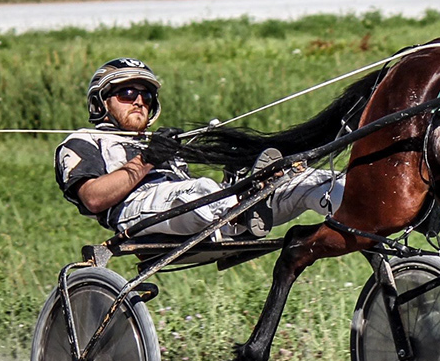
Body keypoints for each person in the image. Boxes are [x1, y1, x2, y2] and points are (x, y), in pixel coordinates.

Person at [55, 58, 343, 239]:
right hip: (133, 211)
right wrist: (148, 160)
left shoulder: (158, 140)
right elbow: (92, 199)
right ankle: (245, 204)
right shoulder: (83, 140)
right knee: (202, 190)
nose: (139, 101)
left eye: (146, 94)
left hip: (200, 209)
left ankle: (360, 209)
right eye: (127, 93)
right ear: (101, 102)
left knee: (307, 179)